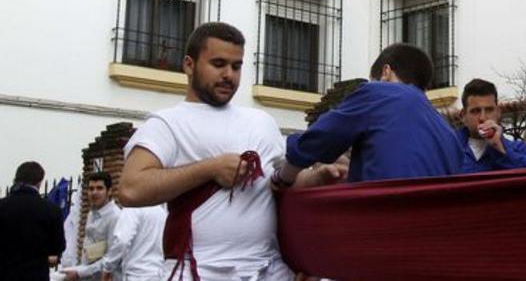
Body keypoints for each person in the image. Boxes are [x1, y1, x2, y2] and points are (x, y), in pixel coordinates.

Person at [117, 22, 336, 280]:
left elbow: (279, 182)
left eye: (236, 66)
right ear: (189, 65)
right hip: (195, 271)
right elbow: (130, 189)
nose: (229, 75)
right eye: (218, 64)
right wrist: (210, 169)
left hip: (268, 270)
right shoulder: (166, 123)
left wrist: (317, 179)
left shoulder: (262, 121)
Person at [277, 43, 467, 185]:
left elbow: (316, 140)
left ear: (386, 72)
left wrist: (282, 179)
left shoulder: (378, 93)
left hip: (383, 223)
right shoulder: (449, 134)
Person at [455, 79, 526, 172]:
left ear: (498, 112)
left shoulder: (519, 149)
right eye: (476, 111)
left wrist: (501, 150)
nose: (483, 118)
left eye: (489, 110)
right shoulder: (449, 152)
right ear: (463, 116)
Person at [0, 161, 65, 281]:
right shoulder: (51, 210)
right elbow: (57, 247)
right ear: (40, 182)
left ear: (16, 179)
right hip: (36, 275)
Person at [70, 205, 166, 281]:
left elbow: (122, 241)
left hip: (136, 274)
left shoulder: (132, 208)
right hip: (158, 273)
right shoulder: (162, 212)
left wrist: (108, 267)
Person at [61, 172, 121, 281]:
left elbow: (112, 257)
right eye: (91, 188)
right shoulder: (91, 214)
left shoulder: (115, 217)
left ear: (109, 191)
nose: (94, 192)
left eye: (99, 188)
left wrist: (80, 273)